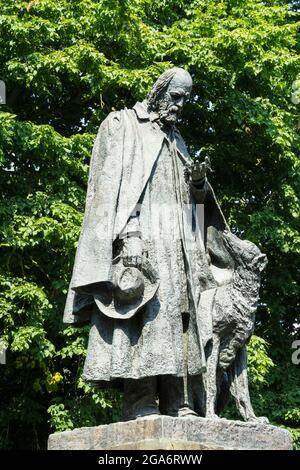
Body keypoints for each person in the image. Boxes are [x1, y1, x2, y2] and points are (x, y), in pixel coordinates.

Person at [63, 68, 228, 420]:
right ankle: (141, 402)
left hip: (179, 243)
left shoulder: (177, 140)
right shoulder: (125, 127)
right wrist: (131, 234)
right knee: (142, 318)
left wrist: (198, 184)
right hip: (143, 240)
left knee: (180, 317)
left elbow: (193, 204)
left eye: (186, 99)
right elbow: (115, 191)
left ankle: (178, 400)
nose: (181, 105)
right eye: (176, 96)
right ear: (160, 90)